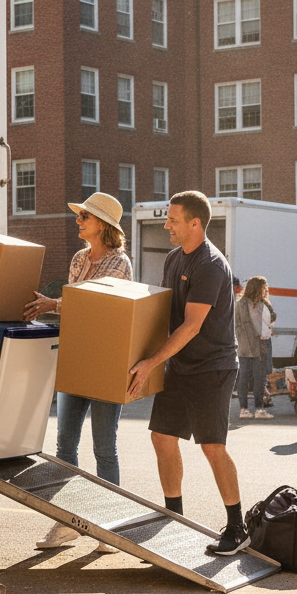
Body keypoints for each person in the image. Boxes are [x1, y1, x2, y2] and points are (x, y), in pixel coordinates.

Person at [128, 191, 248, 555]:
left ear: (195, 223)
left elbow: (192, 325)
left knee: (213, 447)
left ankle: (237, 526)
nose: (166, 226)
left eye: (173, 220)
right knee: (162, 437)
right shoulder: (173, 258)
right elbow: (165, 314)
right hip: (181, 365)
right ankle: (173, 518)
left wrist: (151, 362)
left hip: (212, 368)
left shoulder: (210, 265)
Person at [23, 192, 132, 551]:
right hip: (75, 357)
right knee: (64, 446)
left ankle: (109, 525)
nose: (78, 221)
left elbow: (94, 304)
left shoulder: (120, 264)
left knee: (104, 448)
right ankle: (67, 522)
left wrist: (55, 303)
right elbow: (75, 308)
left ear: (102, 225)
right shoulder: (78, 258)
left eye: (84, 217)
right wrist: (58, 307)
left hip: (104, 363)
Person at [235, 276, 274, 419]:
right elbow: (263, 326)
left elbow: (237, 325)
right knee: (259, 378)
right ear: (258, 288)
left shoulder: (240, 303)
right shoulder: (259, 304)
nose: (265, 291)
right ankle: (259, 409)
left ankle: (243, 409)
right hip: (258, 344)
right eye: (264, 288)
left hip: (243, 345)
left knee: (244, 377)